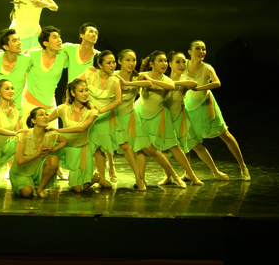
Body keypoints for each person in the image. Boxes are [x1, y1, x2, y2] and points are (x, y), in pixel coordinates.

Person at [125, 51, 202, 188]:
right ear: (152, 64)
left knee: (173, 145)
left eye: (165, 61)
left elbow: (172, 86)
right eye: (160, 61)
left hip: (158, 116)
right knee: (140, 148)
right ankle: (141, 180)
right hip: (140, 114)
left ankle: (192, 176)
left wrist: (149, 81)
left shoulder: (167, 80)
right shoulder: (143, 75)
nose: (164, 63)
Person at [184, 40, 250, 181]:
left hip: (205, 105)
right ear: (189, 52)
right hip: (187, 106)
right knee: (187, 138)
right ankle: (187, 172)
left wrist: (198, 88)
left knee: (225, 134)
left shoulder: (207, 68)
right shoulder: (183, 65)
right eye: (197, 48)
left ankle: (243, 166)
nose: (201, 51)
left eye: (204, 49)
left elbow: (217, 83)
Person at [159, 51, 229, 184]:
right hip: (166, 119)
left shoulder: (184, 81)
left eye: (183, 62)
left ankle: (215, 171)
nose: (182, 65)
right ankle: (167, 177)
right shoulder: (163, 79)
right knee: (165, 148)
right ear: (170, 64)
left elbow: (194, 84)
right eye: (178, 62)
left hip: (181, 118)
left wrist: (171, 83)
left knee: (196, 146)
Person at [76, 50, 122, 188]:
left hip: (103, 117)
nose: (112, 65)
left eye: (113, 62)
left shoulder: (114, 80)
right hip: (88, 115)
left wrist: (102, 110)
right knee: (89, 148)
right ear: (100, 65)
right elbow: (74, 84)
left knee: (100, 148)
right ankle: (88, 176)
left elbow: (118, 100)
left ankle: (104, 175)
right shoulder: (90, 74)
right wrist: (85, 104)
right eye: (108, 63)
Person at [49, 79, 100, 192]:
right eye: (81, 91)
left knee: (78, 189)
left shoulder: (92, 111)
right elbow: (45, 120)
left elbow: (81, 128)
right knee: (41, 153)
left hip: (80, 148)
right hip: (64, 146)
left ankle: (96, 178)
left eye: (86, 90)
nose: (85, 93)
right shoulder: (63, 108)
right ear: (73, 93)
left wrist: (57, 130)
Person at [9, 107, 67, 198]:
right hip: (22, 172)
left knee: (54, 159)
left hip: (38, 169)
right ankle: (27, 185)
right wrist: (37, 154)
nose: (46, 117)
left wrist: (53, 149)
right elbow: (20, 161)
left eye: (46, 114)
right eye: (41, 115)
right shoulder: (24, 135)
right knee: (27, 193)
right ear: (33, 121)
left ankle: (40, 188)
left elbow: (64, 141)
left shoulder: (50, 134)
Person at [111, 49, 147, 189]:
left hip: (130, 115)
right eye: (128, 60)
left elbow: (149, 84)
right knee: (117, 146)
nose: (131, 63)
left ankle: (140, 179)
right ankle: (107, 173)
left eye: (134, 60)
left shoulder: (138, 78)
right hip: (114, 115)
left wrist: (130, 83)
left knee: (139, 147)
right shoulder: (113, 75)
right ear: (119, 61)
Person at [0, 28, 33, 125]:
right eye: (14, 41)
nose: (19, 43)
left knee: (17, 134)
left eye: (19, 39)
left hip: (15, 107)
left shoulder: (26, 60)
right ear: (5, 47)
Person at [23, 26, 68, 129]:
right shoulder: (33, 54)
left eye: (59, 37)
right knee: (27, 136)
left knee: (51, 136)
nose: (59, 40)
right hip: (29, 103)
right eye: (54, 37)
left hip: (49, 105)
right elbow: (21, 68)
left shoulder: (63, 56)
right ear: (45, 43)